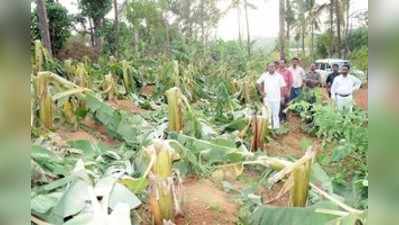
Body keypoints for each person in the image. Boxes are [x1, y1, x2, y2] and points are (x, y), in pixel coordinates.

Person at [256, 63, 286, 129]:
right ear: (267, 68)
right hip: (267, 99)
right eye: (269, 67)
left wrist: (282, 97)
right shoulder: (264, 75)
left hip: (276, 99)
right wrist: (261, 92)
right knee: (267, 115)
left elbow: (282, 87)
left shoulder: (279, 76)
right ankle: (268, 129)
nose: (271, 68)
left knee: (276, 115)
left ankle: (276, 128)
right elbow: (257, 83)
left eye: (272, 67)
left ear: (275, 67)